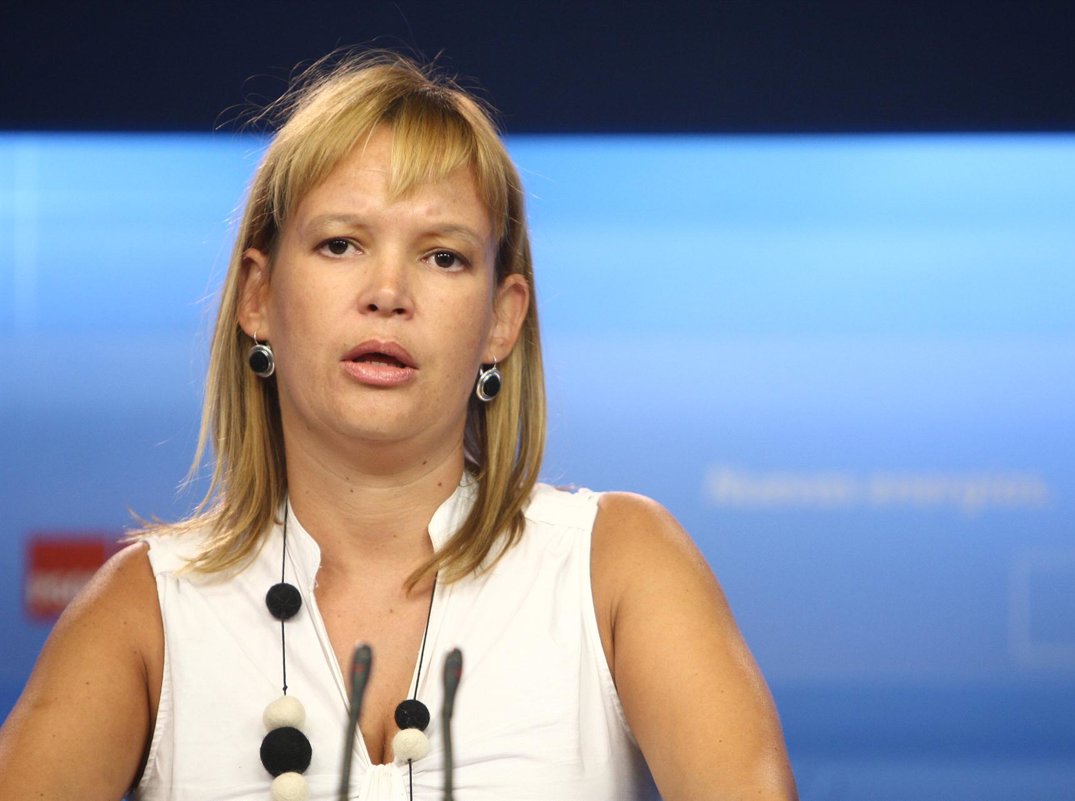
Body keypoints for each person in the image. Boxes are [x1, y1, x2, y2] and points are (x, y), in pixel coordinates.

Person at [0, 50, 797, 801]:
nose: (388, 292)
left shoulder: (616, 565)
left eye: (442, 256)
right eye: (341, 244)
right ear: (258, 297)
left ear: (502, 319)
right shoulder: (147, 606)